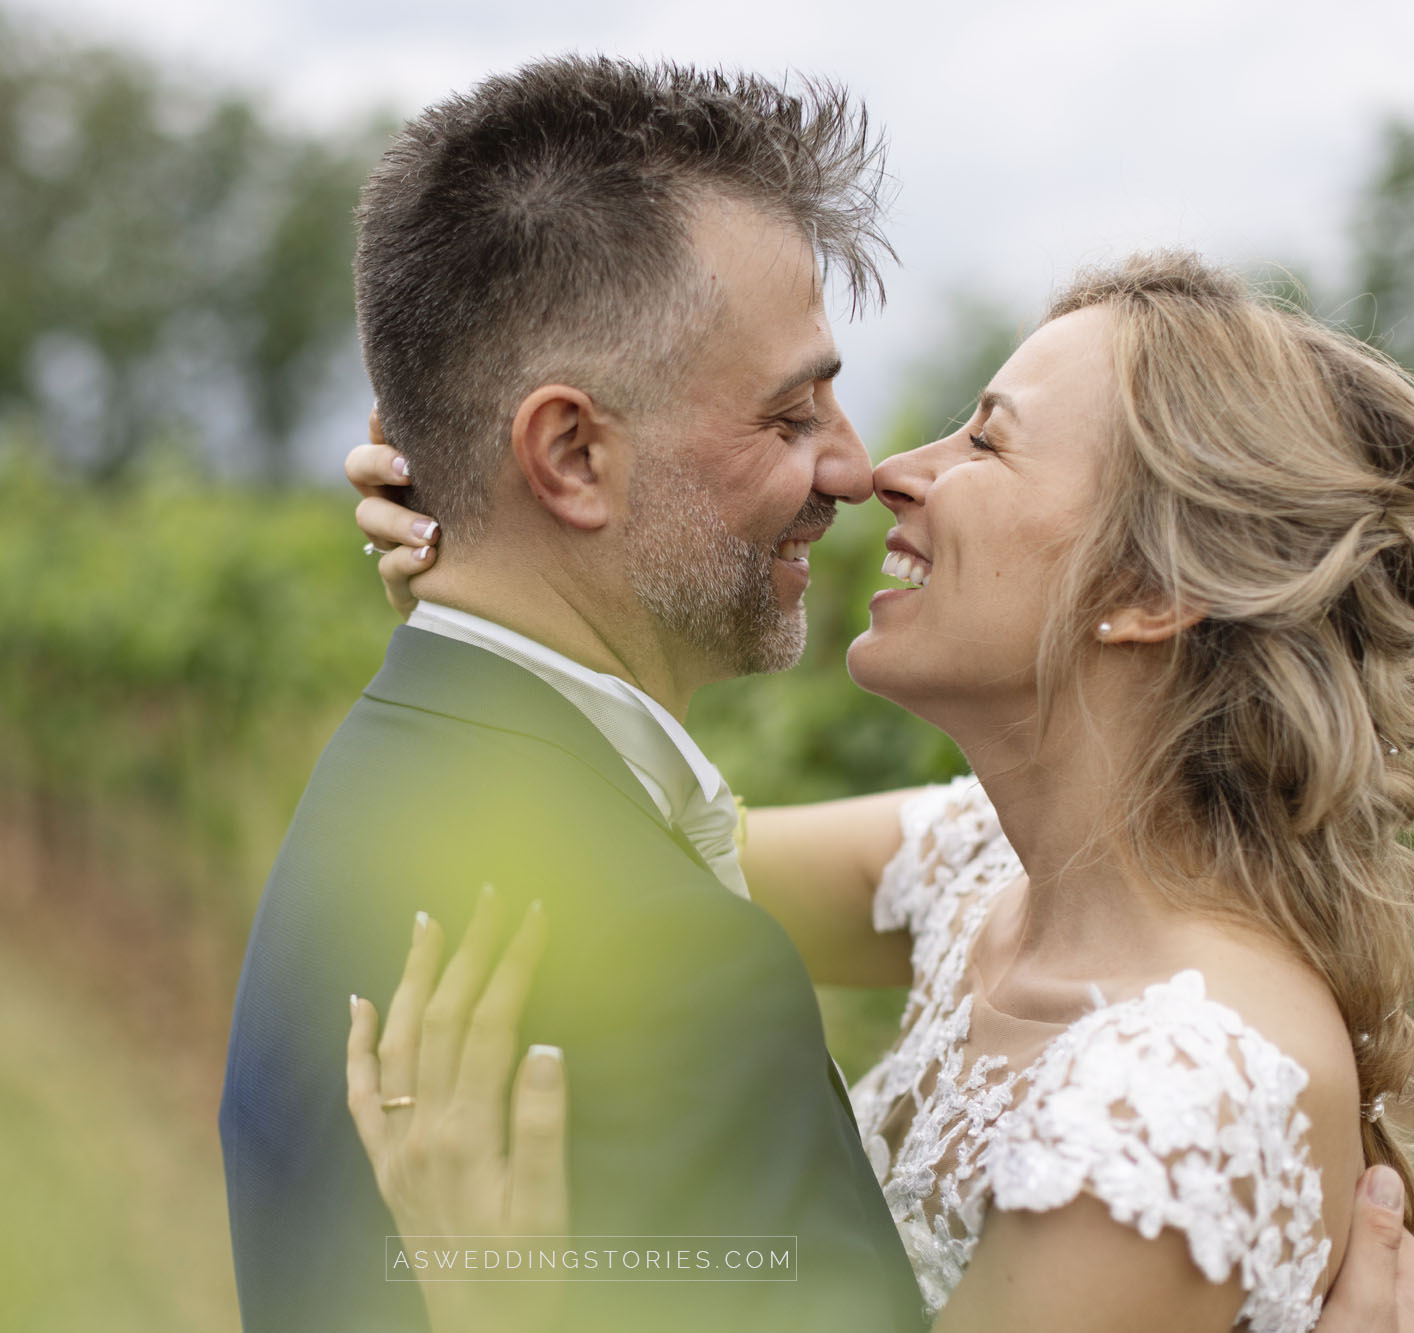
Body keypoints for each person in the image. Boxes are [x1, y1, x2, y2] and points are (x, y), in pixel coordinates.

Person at [340, 251, 1414, 1332]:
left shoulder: (1169, 1100)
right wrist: (505, 581)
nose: (890, 470)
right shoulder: (982, 870)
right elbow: (643, 861)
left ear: (1150, 586)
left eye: (984, 444)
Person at [221, 56, 927, 1333]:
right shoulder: (670, 970)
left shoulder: (388, 788)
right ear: (569, 453)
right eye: (788, 414)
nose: (856, 467)